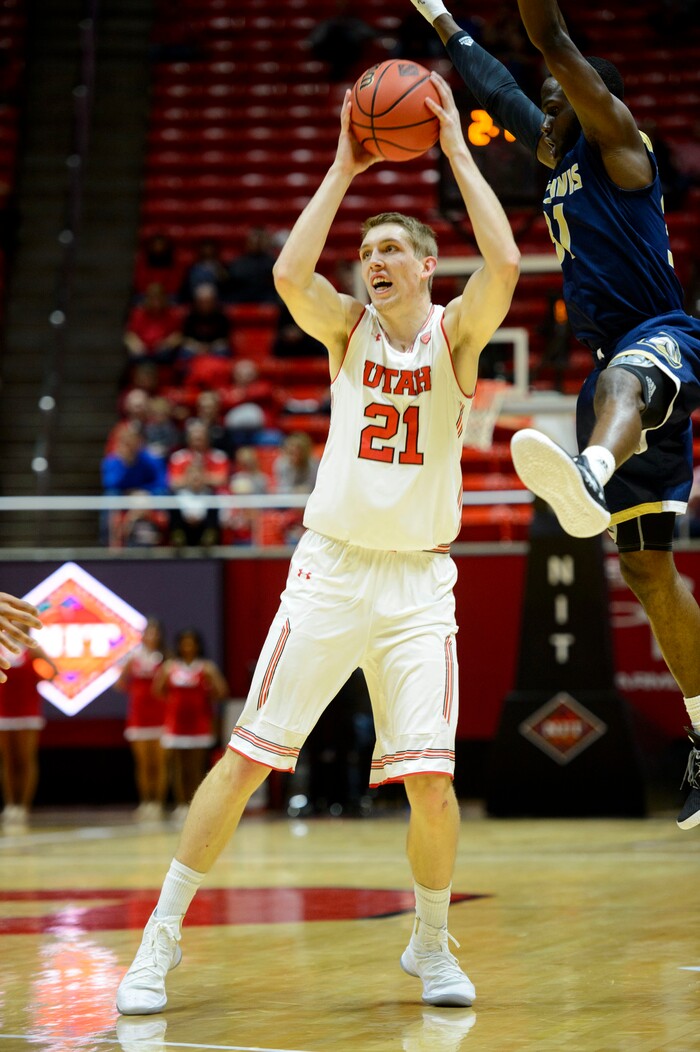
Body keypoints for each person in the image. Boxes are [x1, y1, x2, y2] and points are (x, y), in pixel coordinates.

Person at [115, 72, 519, 1015]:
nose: (373, 260)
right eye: (367, 250)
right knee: (247, 755)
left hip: (419, 583)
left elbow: (500, 264)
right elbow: (291, 277)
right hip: (330, 571)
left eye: (391, 250)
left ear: (424, 266)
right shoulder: (348, 332)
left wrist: (456, 150)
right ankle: (159, 939)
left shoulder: (456, 339)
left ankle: (430, 942)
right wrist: (344, 165)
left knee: (432, 783)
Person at [413, 0, 700, 828]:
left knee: (621, 382)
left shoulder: (618, 144)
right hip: (617, 365)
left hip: (668, 337)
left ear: (589, 96)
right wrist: (440, 19)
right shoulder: (555, 151)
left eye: (554, 97)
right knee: (648, 571)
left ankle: (591, 470)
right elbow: (498, 82)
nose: (539, 108)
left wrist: (542, 37)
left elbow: (548, 38)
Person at [152, 629, 229, 824]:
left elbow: (222, 691)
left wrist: (205, 695)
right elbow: (158, 690)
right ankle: (180, 804)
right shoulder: (170, 667)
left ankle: (195, 804)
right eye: (184, 643)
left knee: (195, 768)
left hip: (199, 725)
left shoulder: (206, 667)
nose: (187, 646)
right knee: (178, 768)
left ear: (197, 645)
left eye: (191, 642)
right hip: (176, 725)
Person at [0, 642, 58, 829]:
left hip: (28, 711)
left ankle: (24, 806)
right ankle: (10, 805)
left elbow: (53, 672)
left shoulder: (32, 650)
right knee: (8, 760)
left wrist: (37, 678)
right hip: (4, 712)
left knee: (25, 759)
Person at [115, 618, 168, 821]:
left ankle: (158, 803)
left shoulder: (164, 658)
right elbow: (120, 684)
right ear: (143, 635)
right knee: (144, 764)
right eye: (149, 632)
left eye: (156, 633)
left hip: (161, 718)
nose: (152, 637)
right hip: (138, 719)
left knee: (160, 764)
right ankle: (146, 802)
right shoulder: (133, 658)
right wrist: (137, 693)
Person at [0, 594, 42, 684]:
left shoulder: (32, 648)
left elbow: (53, 671)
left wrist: (41, 677)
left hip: (27, 695)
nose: (17, 623)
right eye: (14, 619)